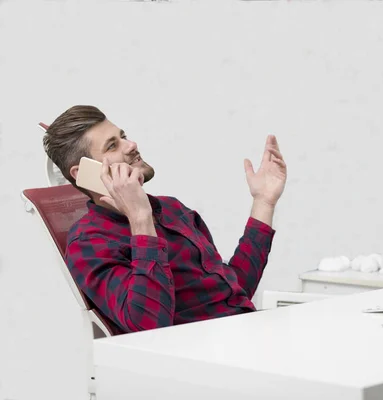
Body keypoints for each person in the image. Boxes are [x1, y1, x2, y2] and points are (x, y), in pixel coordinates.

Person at [43, 105, 287, 334]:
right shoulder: (88, 243)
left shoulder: (172, 209)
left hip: (242, 335)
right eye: (112, 146)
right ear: (84, 173)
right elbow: (149, 327)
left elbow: (235, 292)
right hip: (196, 360)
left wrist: (263, 202)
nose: (131, 145)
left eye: (124, 135)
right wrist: (140, 220)